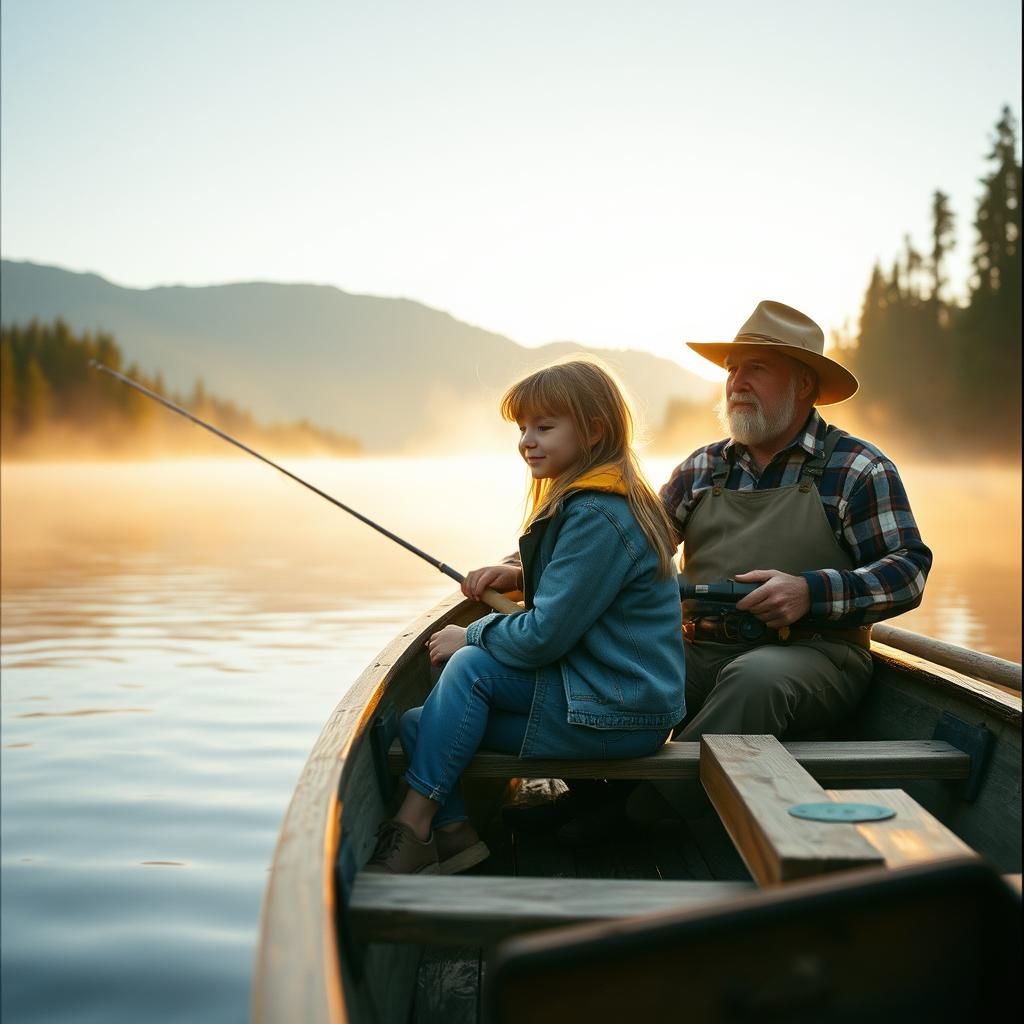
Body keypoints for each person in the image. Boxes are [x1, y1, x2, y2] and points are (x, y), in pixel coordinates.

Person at [365, 358, 686, 874]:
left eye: (544, 426)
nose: (527, 441)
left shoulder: (599, 514)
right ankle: (455, 834)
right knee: (418, 723)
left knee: (466, 668)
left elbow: (542, 639)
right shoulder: (598, 501)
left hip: (623, 709)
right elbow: (576, 588)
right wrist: (517, 575)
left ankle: (413, 825)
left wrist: (469, 632)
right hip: (601, 692)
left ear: (595, 430)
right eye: (522, 428)